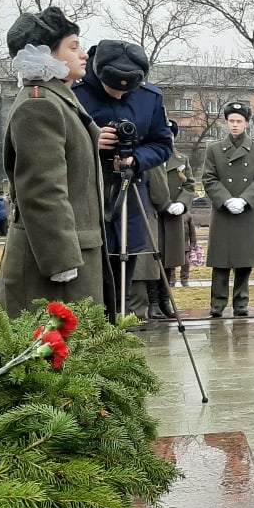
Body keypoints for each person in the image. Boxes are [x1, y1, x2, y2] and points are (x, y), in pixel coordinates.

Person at [0, 7, 110, 317]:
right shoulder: (40, 105)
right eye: (73, 47)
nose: (83, 55)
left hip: (74, 253)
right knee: (51, 346)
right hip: (54, 265)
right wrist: (60, 259)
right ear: (46, 54)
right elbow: (42, 189)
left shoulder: (60, 100)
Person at [72, 40, 174, 322]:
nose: (119, 94)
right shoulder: (75, 93)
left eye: (126, 90)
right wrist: (92, 142)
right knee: (91, 265)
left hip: (130, 192)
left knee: (125, 260)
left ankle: (117, 321)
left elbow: (162, 144)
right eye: (112, 88)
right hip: (89, 192)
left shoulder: (150, 98)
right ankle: (91, 325)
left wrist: (136, 159)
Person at [202, 102, 254, 317]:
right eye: (231, 121)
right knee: (220, 261)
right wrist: (225, 199)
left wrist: (245, 200)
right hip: (223, 211)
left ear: (246, 123)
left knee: (244, 260)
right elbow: (209, 178)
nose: (235, 125)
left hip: (247, 211)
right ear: (226, 122)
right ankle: (217, 303)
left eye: (239, 121)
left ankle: (241, 302)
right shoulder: (214, 149)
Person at [146, 122, 195, 319]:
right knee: (154, 259)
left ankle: (165, 301)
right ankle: (153, 302)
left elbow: (189, 186)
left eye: (170, 135)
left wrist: (182, 204)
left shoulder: (181, 159)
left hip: (173, 217)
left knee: (170, 260)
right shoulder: (149, 157)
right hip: (153, 216)